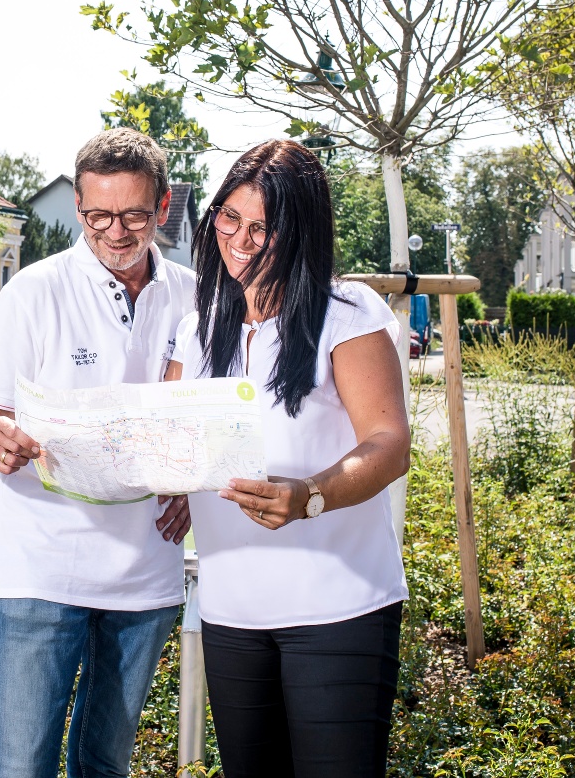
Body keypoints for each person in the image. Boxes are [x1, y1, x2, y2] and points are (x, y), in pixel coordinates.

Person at [163, 139, 411, 778]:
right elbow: (167, 437)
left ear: (300, 234)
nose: (241, 242)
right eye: (229, 219)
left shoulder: (348, 313)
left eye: (263, 229)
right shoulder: (199, 327)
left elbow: (389, 444)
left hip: (340, 610)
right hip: (230, 612)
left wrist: (309, 496)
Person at [0, 128, 198, 778]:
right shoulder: (33, 292)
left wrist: (194, 485)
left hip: (146, 572)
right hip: (42, 570)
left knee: (105, 765)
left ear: (164, 205)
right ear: (78, 208)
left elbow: (208, 420)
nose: (115, 232)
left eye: (133, 216)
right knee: (20, 766)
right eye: (97, 216)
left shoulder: (195, 295)